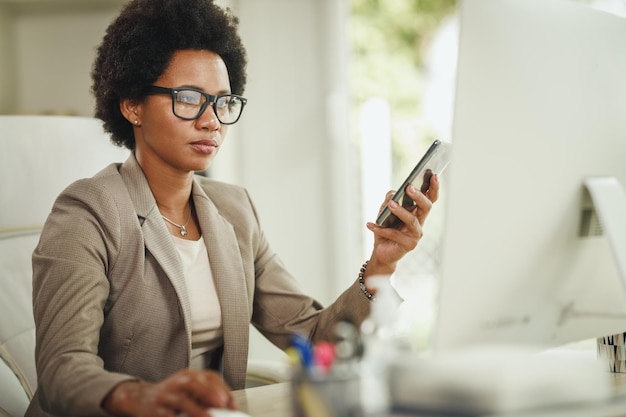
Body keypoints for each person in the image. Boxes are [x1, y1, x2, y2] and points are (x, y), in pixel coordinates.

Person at [25, 0, 439, 416]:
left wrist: (381, 263)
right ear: (132, 105)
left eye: (223, 102)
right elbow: (63, 370)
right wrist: (141, 396)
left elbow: (314, 340)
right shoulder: (87, 212)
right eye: (188, 99)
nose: (212, 121)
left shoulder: (234, 210)